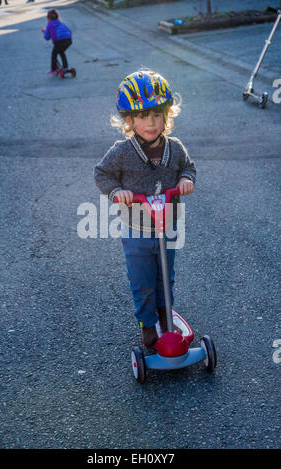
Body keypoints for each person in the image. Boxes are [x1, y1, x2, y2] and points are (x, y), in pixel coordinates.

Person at [94, 69, 197, 347]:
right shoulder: (121, 152)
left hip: (168, 227)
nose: (150, 123)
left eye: (156, 114)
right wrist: (118, 192)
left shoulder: (175, 148)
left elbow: (187, 167)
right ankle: (147, 322)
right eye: (141, 116)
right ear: (129, 120)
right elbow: (102, 174)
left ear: (167, 114)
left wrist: (186, 179)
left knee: (166, 277)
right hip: (137, 229)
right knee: (143, 281)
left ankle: (165, 314)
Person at [43, 9, 72, 74]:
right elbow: (69, 31)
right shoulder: (60, 22)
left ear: (48, 18)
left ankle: (53, 69)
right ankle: (65, 67)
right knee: (61, 52)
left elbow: (46, 37)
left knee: (54, 54)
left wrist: (44, 32)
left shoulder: (49, 24)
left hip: (59, 41)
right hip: (69, 39)